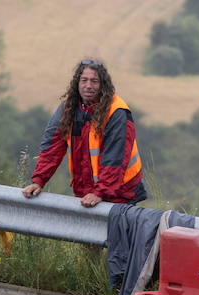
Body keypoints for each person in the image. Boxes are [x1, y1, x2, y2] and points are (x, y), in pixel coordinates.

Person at [21, 59, 147, 207]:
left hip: (121, 193)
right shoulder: (69, 108)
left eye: (94, 81)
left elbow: (115, 158)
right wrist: (38, 181)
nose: (88, 86)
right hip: (87, 194)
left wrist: (100, 192)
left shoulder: (116, 112)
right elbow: (52, 148)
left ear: (102, 85)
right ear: (77, 83)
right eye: (84, 80)